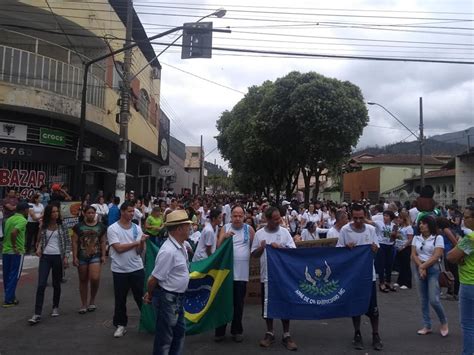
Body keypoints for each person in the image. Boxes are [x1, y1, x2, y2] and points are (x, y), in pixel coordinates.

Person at [143, 210, 192, 355]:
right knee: (165, 339)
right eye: (187, 226)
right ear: (179, 229)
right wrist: (150, 295)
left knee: (178, 334)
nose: (190, 228)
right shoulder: (168, 251)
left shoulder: (181, 245)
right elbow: (153, 279)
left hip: (176, 299)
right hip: (168, 299)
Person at [336, 203, 383, 351]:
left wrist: (375, 249)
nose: (358, 221)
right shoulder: (345, 230)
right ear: (351, 216)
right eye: (355, 218)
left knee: (373, 308)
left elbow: (376, 248)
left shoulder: (370, 229)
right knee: (355, 306)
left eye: (361, 218)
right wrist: (346, 248)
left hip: (369, 275)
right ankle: (357, 333)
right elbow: (338, 251)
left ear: (365, 217)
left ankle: (376, 334)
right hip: (353, 275)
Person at [251, 206, 298, 351]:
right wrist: (262, 248)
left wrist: (281, 248)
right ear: (268, 220)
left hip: (283, 276)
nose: (279, 221)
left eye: (280, 218)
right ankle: (269, 332)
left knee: (285, 303)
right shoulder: (259, 234)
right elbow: (254, 254)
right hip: (267, 276)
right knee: (267, 305)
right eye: (276, 219)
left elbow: (293, 251)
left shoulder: (284, 233)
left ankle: (286, 334)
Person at [107, 201, 149, 338]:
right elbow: (118, 248)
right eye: (130, 211)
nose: (132, 214)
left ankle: (149, 321)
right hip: (119, 270)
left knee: (142, 297)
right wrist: (137, 242)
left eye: (133, 211)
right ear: (122, 211)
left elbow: (138, 251)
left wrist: (141, 243)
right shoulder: (113, 229)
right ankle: (120, 325)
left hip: (136, 268)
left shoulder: (137, 228)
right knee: (120, 299)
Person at [215, 205, 255, 342]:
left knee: (238, 304)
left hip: (241, 275)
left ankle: (237, 330)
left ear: (244, 216)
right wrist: (224, 237)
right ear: (230, 216)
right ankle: (220, 331)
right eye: (235, 215)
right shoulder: (225, 228)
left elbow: (254, 250)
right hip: (226, 274)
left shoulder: (249, 230)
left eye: (240, 215)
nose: (237, 218)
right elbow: (218, 248)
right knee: (223, 302)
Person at [28, 204, 70, 324]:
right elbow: (40, 240)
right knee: (41, 284)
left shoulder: (63, 226)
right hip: (45, 257)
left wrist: (66, 257)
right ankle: (37, 313)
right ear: (48, 214)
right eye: (53, 212)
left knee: (56, 283)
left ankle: (55, 306)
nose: (56, 214)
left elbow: (67, 242)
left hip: (58, 257)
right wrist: (38, 248)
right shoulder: (44, 225)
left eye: (57, 212)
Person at [411, 215, 449, 337]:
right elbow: (413, 254)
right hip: (418, 267)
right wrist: (420, 267)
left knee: (434, 299)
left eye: (424, 223)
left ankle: (444, 322)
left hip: (432, 269)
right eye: (420, 223)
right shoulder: (416, 237)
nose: (421, 225)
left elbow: (436, 255)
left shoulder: (437, 238)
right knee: (423, 299)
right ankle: (427, 325)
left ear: (430, 225)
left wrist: (423, 267)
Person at [447, 206, 474, 355]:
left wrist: (460, 254)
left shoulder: (470, 239)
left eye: (467, 217)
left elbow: (451, 256)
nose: (464, 220)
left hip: (470, 282)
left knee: (469, 324)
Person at [72, 206, 107, 314]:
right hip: (82, 256)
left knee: (95, 278)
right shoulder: (78, 227)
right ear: (84, 213)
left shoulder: (101, 226)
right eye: (89, 213)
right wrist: (74, 256)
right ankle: (83, 304)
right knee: (83, 279)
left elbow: (103, 241)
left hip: (95, 255)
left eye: (93, 213)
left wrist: (103, 255)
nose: (91, 215)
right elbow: (75, 242)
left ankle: (92, 300)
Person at [2, 202, 29, 307]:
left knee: (7, 275)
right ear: (24, 210)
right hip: (16, 251)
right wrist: (15, 247)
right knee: (14, 275)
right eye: (27, 209)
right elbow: (14, 232)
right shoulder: (22, 220)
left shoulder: (9, 219)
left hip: (6, 250)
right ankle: (9, 299)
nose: (28, 211)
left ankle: (10, 296)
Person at [375, 210, 397, 292]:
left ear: (391, 218)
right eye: (384, 215)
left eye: (387, 216)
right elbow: (369, 222)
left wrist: (394, 235)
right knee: (381, 264)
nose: (385, 217)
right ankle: (381, 283)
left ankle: (388, 282)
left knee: (389, 265)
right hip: (381, 245)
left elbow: (394, 237)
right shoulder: (379, 223)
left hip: (390, 246)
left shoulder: (394, 225)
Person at [394, 211, 414, 289]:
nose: (398, 219)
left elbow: (410, 239)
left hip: (405, 248)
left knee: (406, 265)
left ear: (404, 219)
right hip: (398, 247)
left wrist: (403, 246)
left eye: (400, 218)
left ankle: (407, 282)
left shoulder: (409, 228)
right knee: (401, 265)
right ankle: (400, 281)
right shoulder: (400, 227)